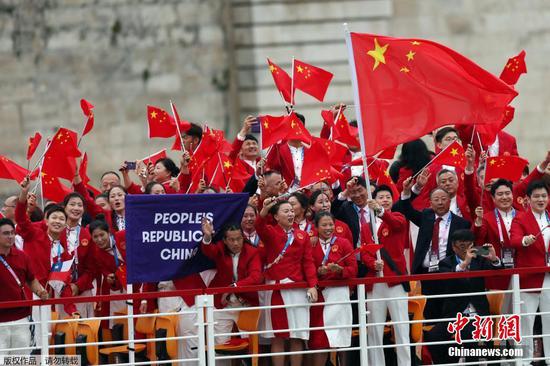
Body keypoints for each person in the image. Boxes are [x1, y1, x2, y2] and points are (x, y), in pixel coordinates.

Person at [394, 179, 471, 320]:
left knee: (448, 314)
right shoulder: (425, 216)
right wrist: (406, 191)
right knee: (428, 314)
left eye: (443, 199)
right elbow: (405, 209)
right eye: (436, 199)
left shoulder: (461, 223)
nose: (440, 202)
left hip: (449, 273)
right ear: (430, 202)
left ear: (450, 201)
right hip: (426, 274)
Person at [424, 229, 502, 364]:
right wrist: (464, 263)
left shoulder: (480, 261)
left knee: (468, 334)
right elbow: (448, 279)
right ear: (453, 247)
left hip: (478, 314)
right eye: (462, 246)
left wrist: (494, 259)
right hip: (454, 315)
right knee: (433, 336)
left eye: (469, 245)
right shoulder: (445, 263)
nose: (466, 249)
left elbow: (499, 270)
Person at [256, 197, 318, 366]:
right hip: (277, 288)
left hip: (297, 288)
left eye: (292, 211)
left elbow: (308, 262)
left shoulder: (302, 234)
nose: (290, 214)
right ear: (276, 217)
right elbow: (258, 226)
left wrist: (313, 285)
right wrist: (263, 210)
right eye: (286, 211)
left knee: (297, 335)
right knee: (279, 336)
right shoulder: (270, 231)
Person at [361, 185, 411, 365]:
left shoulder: (398, 218)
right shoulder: (366, 226)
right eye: (380, 197)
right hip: (375, 282)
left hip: (395, 281)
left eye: (387, 197)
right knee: (375, 329)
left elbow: (396, 224)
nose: (385, 199)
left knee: (401, 327)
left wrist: (381, 211)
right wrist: (372, 263)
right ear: (374, 199)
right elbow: (364, 251)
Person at [200, 220, 263, 344]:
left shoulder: (252, 252)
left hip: (246, 303)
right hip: (222, 305)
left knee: (249, 345)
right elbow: (208, 251)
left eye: (239, 239)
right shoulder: (220, 248)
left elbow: (255, 277)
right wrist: (207, 236)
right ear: (225, 240)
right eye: (231, 240)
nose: (236, 243)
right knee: (220, 345)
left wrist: (232, 288)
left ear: (243, 238)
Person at [308, 212, 357, 365]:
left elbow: (353, 269)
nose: (328, 228)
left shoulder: (343, 243)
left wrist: (340, 270)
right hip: (320, 297)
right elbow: (306, 267)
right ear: (316, 227)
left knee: (342, 337)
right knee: (319, 339)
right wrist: (318, 271)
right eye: (324, 225)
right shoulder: (311, 244)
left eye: (331, 224)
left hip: (339, 294)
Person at [510, 180, 550, 363]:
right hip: (529, 278)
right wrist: (525, 241)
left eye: (544, 196)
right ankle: (523, 362)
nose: (541, 200)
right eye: (536, 196)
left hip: (548, 278)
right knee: (525, 322)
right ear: (527, 199)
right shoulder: (520, 218)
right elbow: (514, 240)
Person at [0, 218, 48, 356]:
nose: (10, 236)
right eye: (5, 233)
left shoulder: (22, 256)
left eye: (12, 233)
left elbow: (31, 280)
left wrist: (40, 291)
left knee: (21, 358)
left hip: (21, 318)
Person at [473, 178, 516, 291]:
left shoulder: (523, 216)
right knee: (500, 309)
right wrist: (492, 257)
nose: (504, 197)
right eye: (500, 194)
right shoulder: (486, 218)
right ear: (493, 198)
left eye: (507, 193)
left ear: (513, 195)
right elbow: (476, 248)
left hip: (522, 273)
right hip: (497, 273)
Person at [89, 219, 126, 330]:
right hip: (118, 290)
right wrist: (112, 280)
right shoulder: (96, 254)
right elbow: (106, 273)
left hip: (136, 283)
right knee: (118, 323)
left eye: (102, 235)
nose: (99, 240)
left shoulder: (122, 237)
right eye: (95, 237)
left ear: (109, 232)